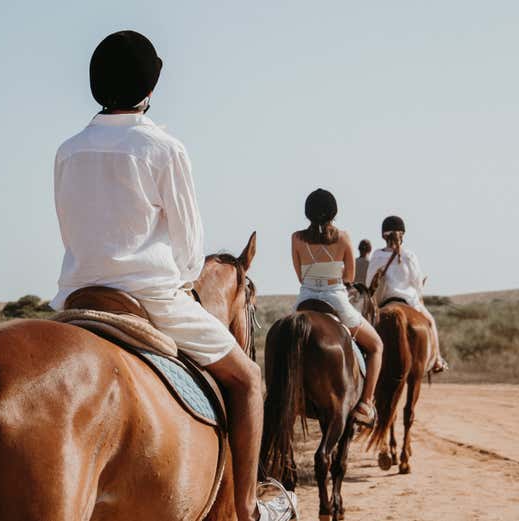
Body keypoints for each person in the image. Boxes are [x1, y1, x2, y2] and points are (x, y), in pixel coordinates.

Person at [50, 31, 294, 521]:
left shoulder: (68, 150)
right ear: (150, 89)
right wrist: (183, 279)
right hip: (152, 298)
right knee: (247, 380)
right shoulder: (162, 147)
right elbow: (189, 251)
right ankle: (246, 508)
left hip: (76, 299)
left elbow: (68, 229)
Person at [291, 189, 383, 426]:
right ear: (334, 212)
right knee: (375, 346)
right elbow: (350, 277)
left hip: (305, 301)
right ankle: (366, 403)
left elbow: (301, 276)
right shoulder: (343, 238)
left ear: (307, 212)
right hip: (336, 300)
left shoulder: (296, 238)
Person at [366, 216, 448, 373]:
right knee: (430, 322)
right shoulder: (409, 256)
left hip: (384, 302)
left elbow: (369, 282)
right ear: (402, 235)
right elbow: (417, 284)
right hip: (409, 302)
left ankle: (363, 357)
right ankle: (437, 358)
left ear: (383, 236)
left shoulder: (377, 255)